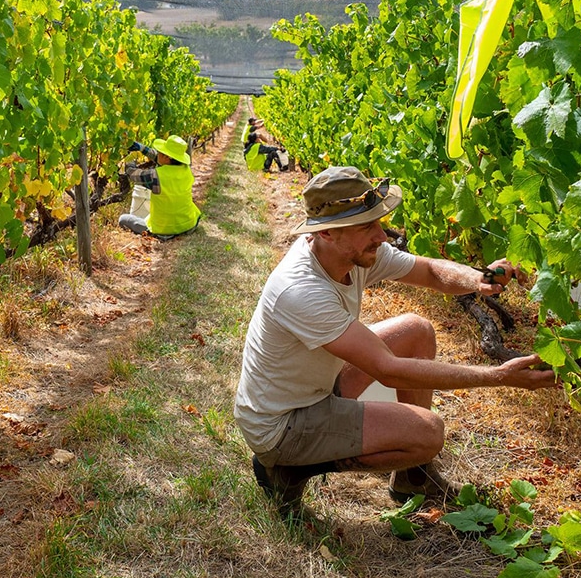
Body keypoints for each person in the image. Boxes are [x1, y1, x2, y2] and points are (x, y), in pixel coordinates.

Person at [234, 166, 556, 519]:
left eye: (378, 221)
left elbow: (430, 271)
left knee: (416, 330)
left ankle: (412, 479)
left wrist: (477, 279)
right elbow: (390, 371)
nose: (382, 235)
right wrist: (499, 376)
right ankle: (289, 470)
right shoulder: (301, 290)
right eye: (367, 226)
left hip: (316, 387)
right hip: (283, 424)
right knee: (428, 433)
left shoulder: (349, 251)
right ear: (326, 233)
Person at [118, 135, 202, 239]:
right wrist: (141, 148)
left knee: (123, 219)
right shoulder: (186, 170)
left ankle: (160, 233)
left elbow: (132, 174)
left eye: (161, 152)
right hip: (188, 224)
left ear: (167, 157)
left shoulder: (156, 176)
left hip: (164, 229)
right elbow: (159, 158)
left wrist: (129, 159)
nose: (158, 153)